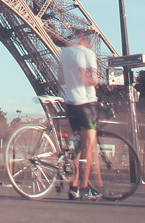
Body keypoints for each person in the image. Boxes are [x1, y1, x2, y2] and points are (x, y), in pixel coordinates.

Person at [59, 28, 101, 201]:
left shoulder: (65, 53)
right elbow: (86, 80)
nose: (92, 42)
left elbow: (61, 79)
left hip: (70, 103)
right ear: (84, 37)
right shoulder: (87, 53)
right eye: (91, 39)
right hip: (86, 104)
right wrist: (96, 81)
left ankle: (73, 187)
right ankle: (85, 188)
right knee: (89, 147)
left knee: (76, 148)